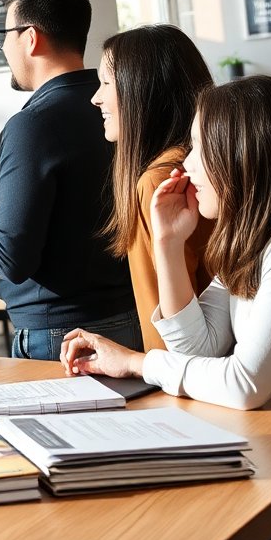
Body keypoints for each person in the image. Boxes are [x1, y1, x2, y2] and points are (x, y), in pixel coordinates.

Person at [60, 76, 271, 540]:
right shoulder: (260, 233)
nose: (186, 164)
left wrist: (137, 362)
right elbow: (201, 350)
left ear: (242, 155)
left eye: (199, 149)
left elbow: (246, 385)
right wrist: (166, 243)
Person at [0, 0, 137, 361]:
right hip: (126, 314)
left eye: (5, 37)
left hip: (61, 334)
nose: (5, 51)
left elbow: (12, 258)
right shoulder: (115, 105)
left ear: (30, 38)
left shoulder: (32, 125)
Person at [91, 24, 215, 351]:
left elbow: (177, 316)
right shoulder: (194, 163)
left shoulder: (162, 180)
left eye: (105, 83)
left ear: (142, 90)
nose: (96, 98)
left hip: (185, 371)